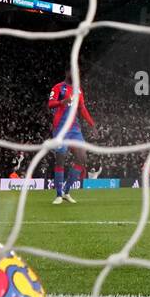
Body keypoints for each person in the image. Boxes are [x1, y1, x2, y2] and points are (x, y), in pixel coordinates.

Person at [47, 75, 96, 204]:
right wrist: (61, 102)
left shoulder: (78, 90)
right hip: (61, 128)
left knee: (82, 158)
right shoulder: (58, 87)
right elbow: (50, 104)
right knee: (61, 158)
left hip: (75, 129)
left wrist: (91, 124)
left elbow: (82, 108)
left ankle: (66, 192)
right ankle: (58, 195)